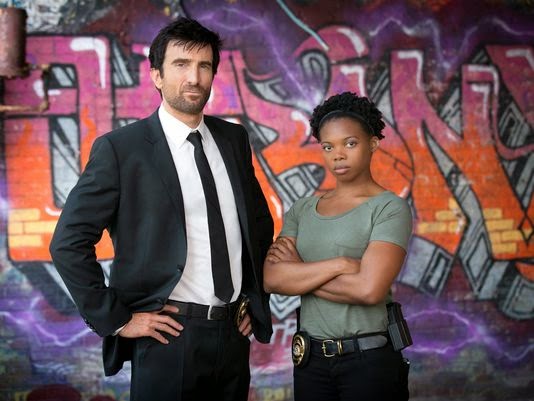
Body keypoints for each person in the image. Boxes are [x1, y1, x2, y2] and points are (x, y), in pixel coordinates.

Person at [49, 17, 274, 401]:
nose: (194, 78)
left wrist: (256, 300)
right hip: (168, 336)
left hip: (234, 335)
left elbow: (257, 224)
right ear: (156, 75)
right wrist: (117, 320)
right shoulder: (122, 150)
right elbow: (68, 242)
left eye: (204, 66)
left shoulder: (233, 139)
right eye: (181, 64)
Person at [264, 91, 412, 401]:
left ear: (373, 143)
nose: (338, 155)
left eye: (350, 143)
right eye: (328, 147)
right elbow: (273, 279)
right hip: (311, 362)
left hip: (368, 361)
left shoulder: (389, 208)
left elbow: (369, 290)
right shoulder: (303, 209)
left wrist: (300, 273)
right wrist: (340, 265)